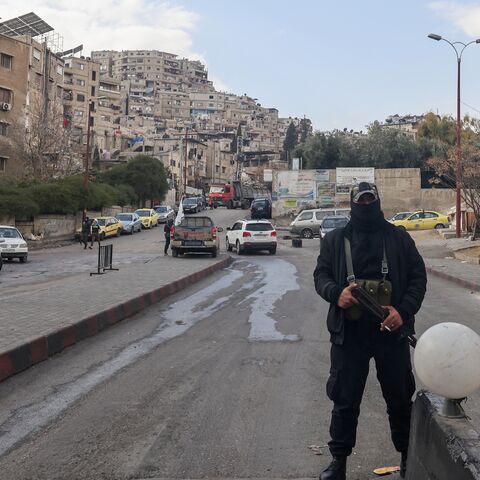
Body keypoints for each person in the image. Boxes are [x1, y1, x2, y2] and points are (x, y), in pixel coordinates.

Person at [313, 182, 427, 480]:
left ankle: (406, 458)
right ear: (353, 204)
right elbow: (320, 275)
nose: (365, 206)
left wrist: (402, 312)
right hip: (348, 334)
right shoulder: (336, 241)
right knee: (344, 400)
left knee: (400, 399)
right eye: (360, 202)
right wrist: (336, 293)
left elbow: (418, 278)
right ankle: (338, 462)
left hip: (391, 333)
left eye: (369, 200)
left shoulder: (399, 238)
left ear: (377, 201)